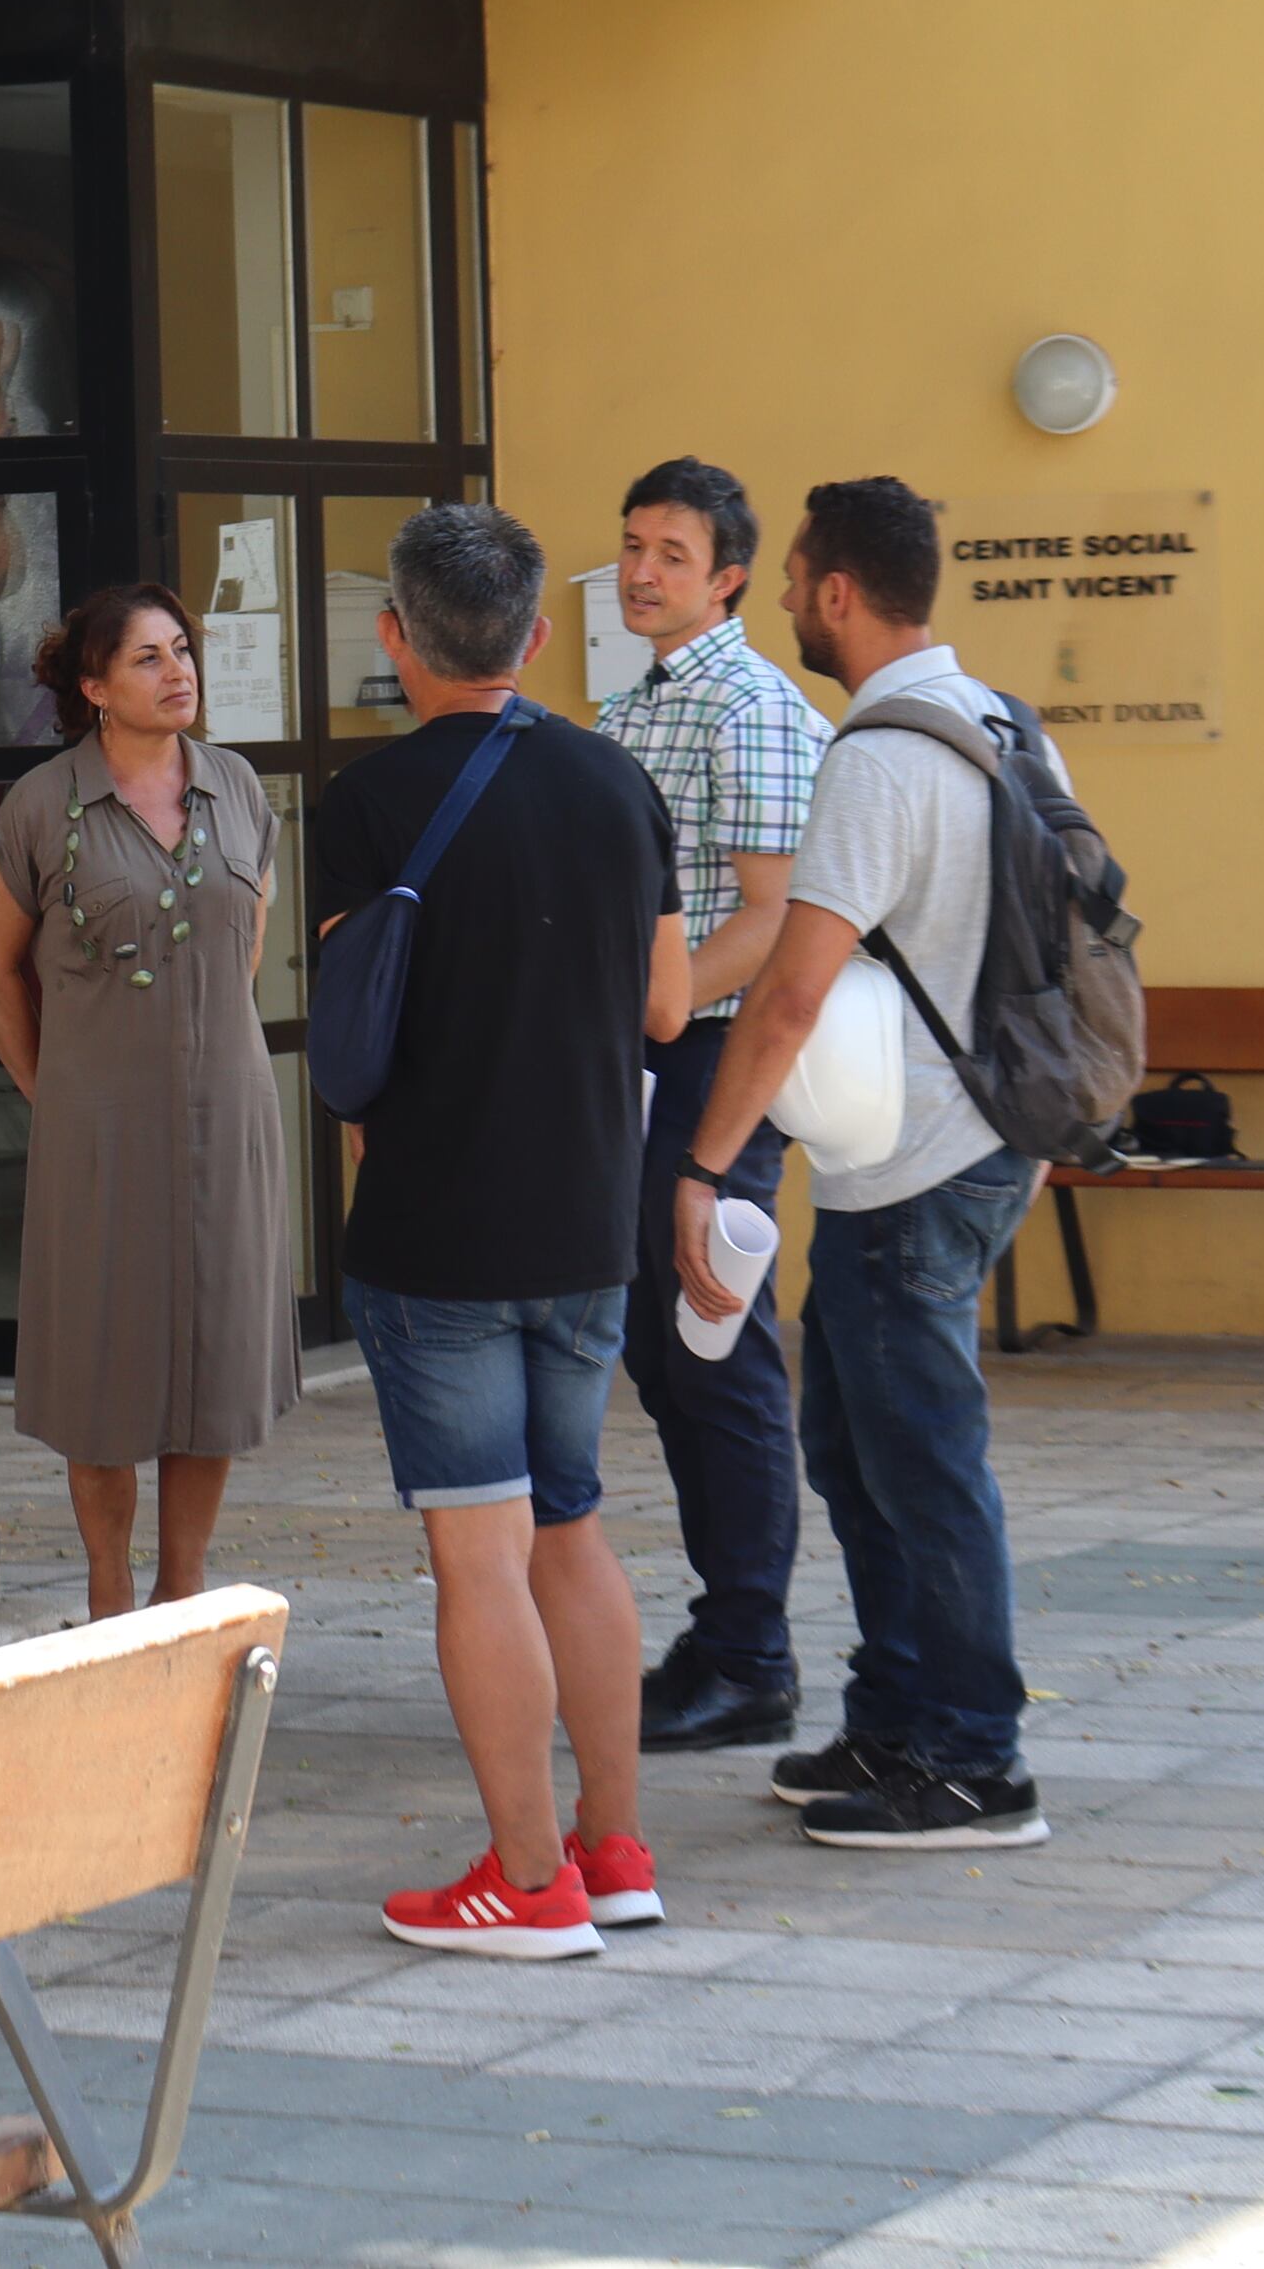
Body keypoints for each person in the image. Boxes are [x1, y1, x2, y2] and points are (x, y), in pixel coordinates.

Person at [312, 505, 693, 1957]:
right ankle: (614, 1847)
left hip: (437, 1220)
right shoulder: (614, 786)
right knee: (574, 1533)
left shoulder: (368, 803)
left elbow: (361, 1035)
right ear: (536, 637)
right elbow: (666, 1008)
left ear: (395, 637)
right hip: (588, 1214)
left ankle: (525, 1879)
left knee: (478, 1556)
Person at [668, 475, 1057, 1852]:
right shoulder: (1000, 720)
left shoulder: (883, 755)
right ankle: (896, 1718)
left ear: (839, 591)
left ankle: (974, 1759)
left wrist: (708, 1165)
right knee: (856, 1442)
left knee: (919, 1462)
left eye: (793, 583)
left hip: (921, 1165)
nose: (785, 603)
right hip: (971, 1142)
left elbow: (786, 986)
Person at [0, 582, 295, 1618]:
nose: (177, 669)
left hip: (225, 1121)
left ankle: (181, 1584)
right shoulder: (41, 805)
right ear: (96, 688)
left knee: (212, 1358)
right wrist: (45, 1086)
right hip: (94, 1131)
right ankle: (109, 1593)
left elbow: (246, 937)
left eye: (181, 649)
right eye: (148, 657)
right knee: (100, 1369)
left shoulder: (237, 787)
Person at [590, 459, 829, 1755]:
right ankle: (730, 1636)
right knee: (665, 1351)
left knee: (715, 1351)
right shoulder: (644, 704)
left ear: (728, 575)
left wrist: (656, 1013)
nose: (639, 569)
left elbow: (778, 918)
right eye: (632, 544)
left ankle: (750, 1654)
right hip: (654, 1059)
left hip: (715, 1066)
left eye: (671, 553)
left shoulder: (749, 708)